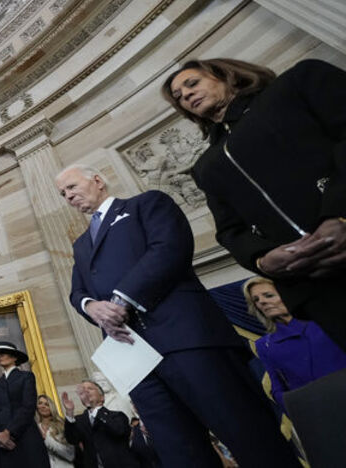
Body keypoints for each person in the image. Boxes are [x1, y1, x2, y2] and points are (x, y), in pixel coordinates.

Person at [55, 165, 301, 468]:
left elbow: (169, 249)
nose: (68, 196)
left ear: (97, 180)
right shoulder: (81, 245)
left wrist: (121, 299)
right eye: (62, 193)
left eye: (71, 186)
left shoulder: (146, 204)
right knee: (178, 451)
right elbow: (77, 292)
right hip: (133, 357)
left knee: (245, 432)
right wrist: (91, 306)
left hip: (185, 338)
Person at [162, 58, 346, 352]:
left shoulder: (296, 84)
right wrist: (262, 259)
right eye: (179, 97)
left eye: (192, 83)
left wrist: (340, 215)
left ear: (226, 74)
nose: (186, 95)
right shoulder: (206, 167)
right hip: (315, 285)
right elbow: (230, 230)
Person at [242, 276, 346, 412]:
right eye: (256, 300)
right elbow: (277, 388)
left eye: (268, 295)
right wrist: (298, 406)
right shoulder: (265, 345)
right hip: (316, 412)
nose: (262, 302)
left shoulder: (326, 321)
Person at [0, 341, 49, 468]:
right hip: (3, 443)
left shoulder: (26, 377)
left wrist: (9, 432)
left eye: (3, 353)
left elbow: (28, 407)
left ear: (14, 357)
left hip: (25, 435)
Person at [62, 381, 135, 468]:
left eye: (90, 388)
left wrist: (96, 411)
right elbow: (72, 439)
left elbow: (120, 431)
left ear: (102, 397)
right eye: (83, 390)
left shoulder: (117, 415)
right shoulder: (79, 420)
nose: (86, 391)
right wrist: (69, 412)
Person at [36, 394, 74, 468]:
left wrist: (46, 440)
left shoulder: (61, 426)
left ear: (51, 408)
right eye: (40, 403)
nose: (43, 406)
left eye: (47, 404)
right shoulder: (33, 428)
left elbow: (70, 455)